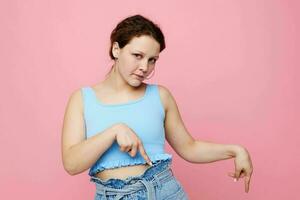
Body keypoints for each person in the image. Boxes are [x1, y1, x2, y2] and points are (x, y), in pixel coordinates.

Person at [61, 14, 253, 200]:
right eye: (138, 55)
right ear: (116, 50)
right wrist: (114, 131)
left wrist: (236, 151)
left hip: (163, 191)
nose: (145, 66)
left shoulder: (160, 96)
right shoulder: (82, 99)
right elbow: (71, 164)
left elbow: (190, 148)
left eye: (152, 59)